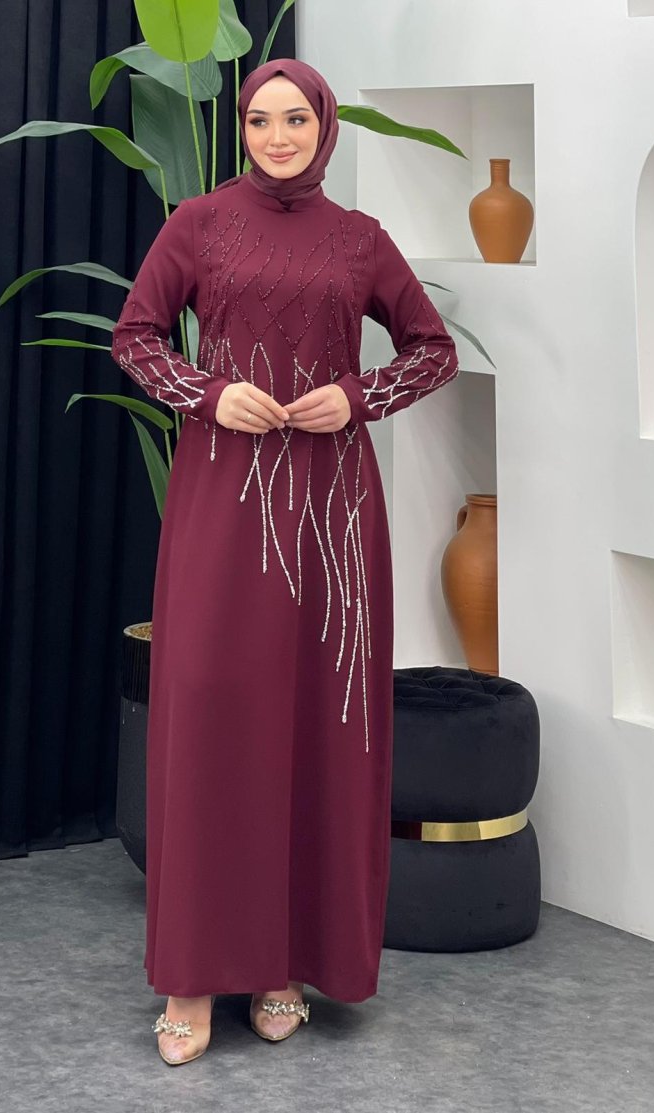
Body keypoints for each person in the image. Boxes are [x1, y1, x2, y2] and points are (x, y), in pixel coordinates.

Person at [110, 58, 460, 1066]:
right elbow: (135, 337)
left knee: (312, 724)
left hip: (331, 514)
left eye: (294, 118)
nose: (275, 136)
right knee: (210, 719)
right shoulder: (199, 225)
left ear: (323, 126)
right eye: (259, 119)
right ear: (244, 128)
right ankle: (188, 976)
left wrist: (357, 396)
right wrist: (208, 393)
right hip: (223, 502)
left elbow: (430, 350)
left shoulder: (360, 239)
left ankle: (282, 965)